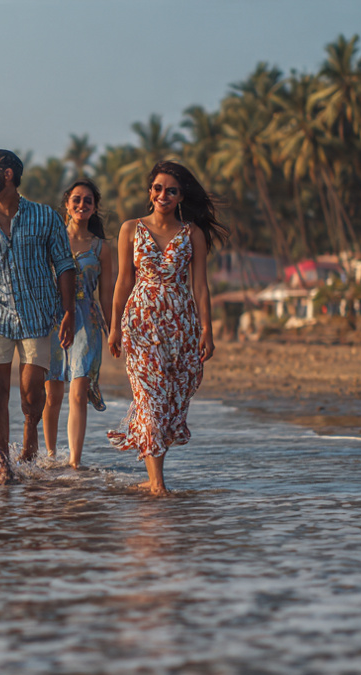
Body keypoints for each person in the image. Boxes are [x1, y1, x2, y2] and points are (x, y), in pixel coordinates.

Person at [107, 161, 225, 495]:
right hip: (141, 324)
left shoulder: (193, 234)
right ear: (150, 192)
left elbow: (200, 286)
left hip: (180, 327)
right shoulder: (131, 229)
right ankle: (158, 483)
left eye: (170, 190)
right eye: (158, 189)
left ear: (180, 196)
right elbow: (122, 282)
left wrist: (207, 331)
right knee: (149, 399)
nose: (163, 195)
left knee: (172, 400)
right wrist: (115, 327)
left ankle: (153, 474)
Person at [0, 149, 76, 485]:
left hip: (37, 314)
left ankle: (30, 430)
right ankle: (3, 463)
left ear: (8, 174)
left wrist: (68, 311)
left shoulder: (44, 217)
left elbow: (65, 265)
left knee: (31, 391)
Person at [41, 179, 116, 469]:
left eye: (88, 200)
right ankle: (49, 457)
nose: (82, 205)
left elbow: (107, 295)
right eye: (77, 199)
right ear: (67, 204)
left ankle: (74, 463)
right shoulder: (51, 239)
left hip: (88, 320)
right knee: (53, 392)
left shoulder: (101, 248)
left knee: (78, 391)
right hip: (52, 320)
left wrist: (114, 331)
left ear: (94, 207)